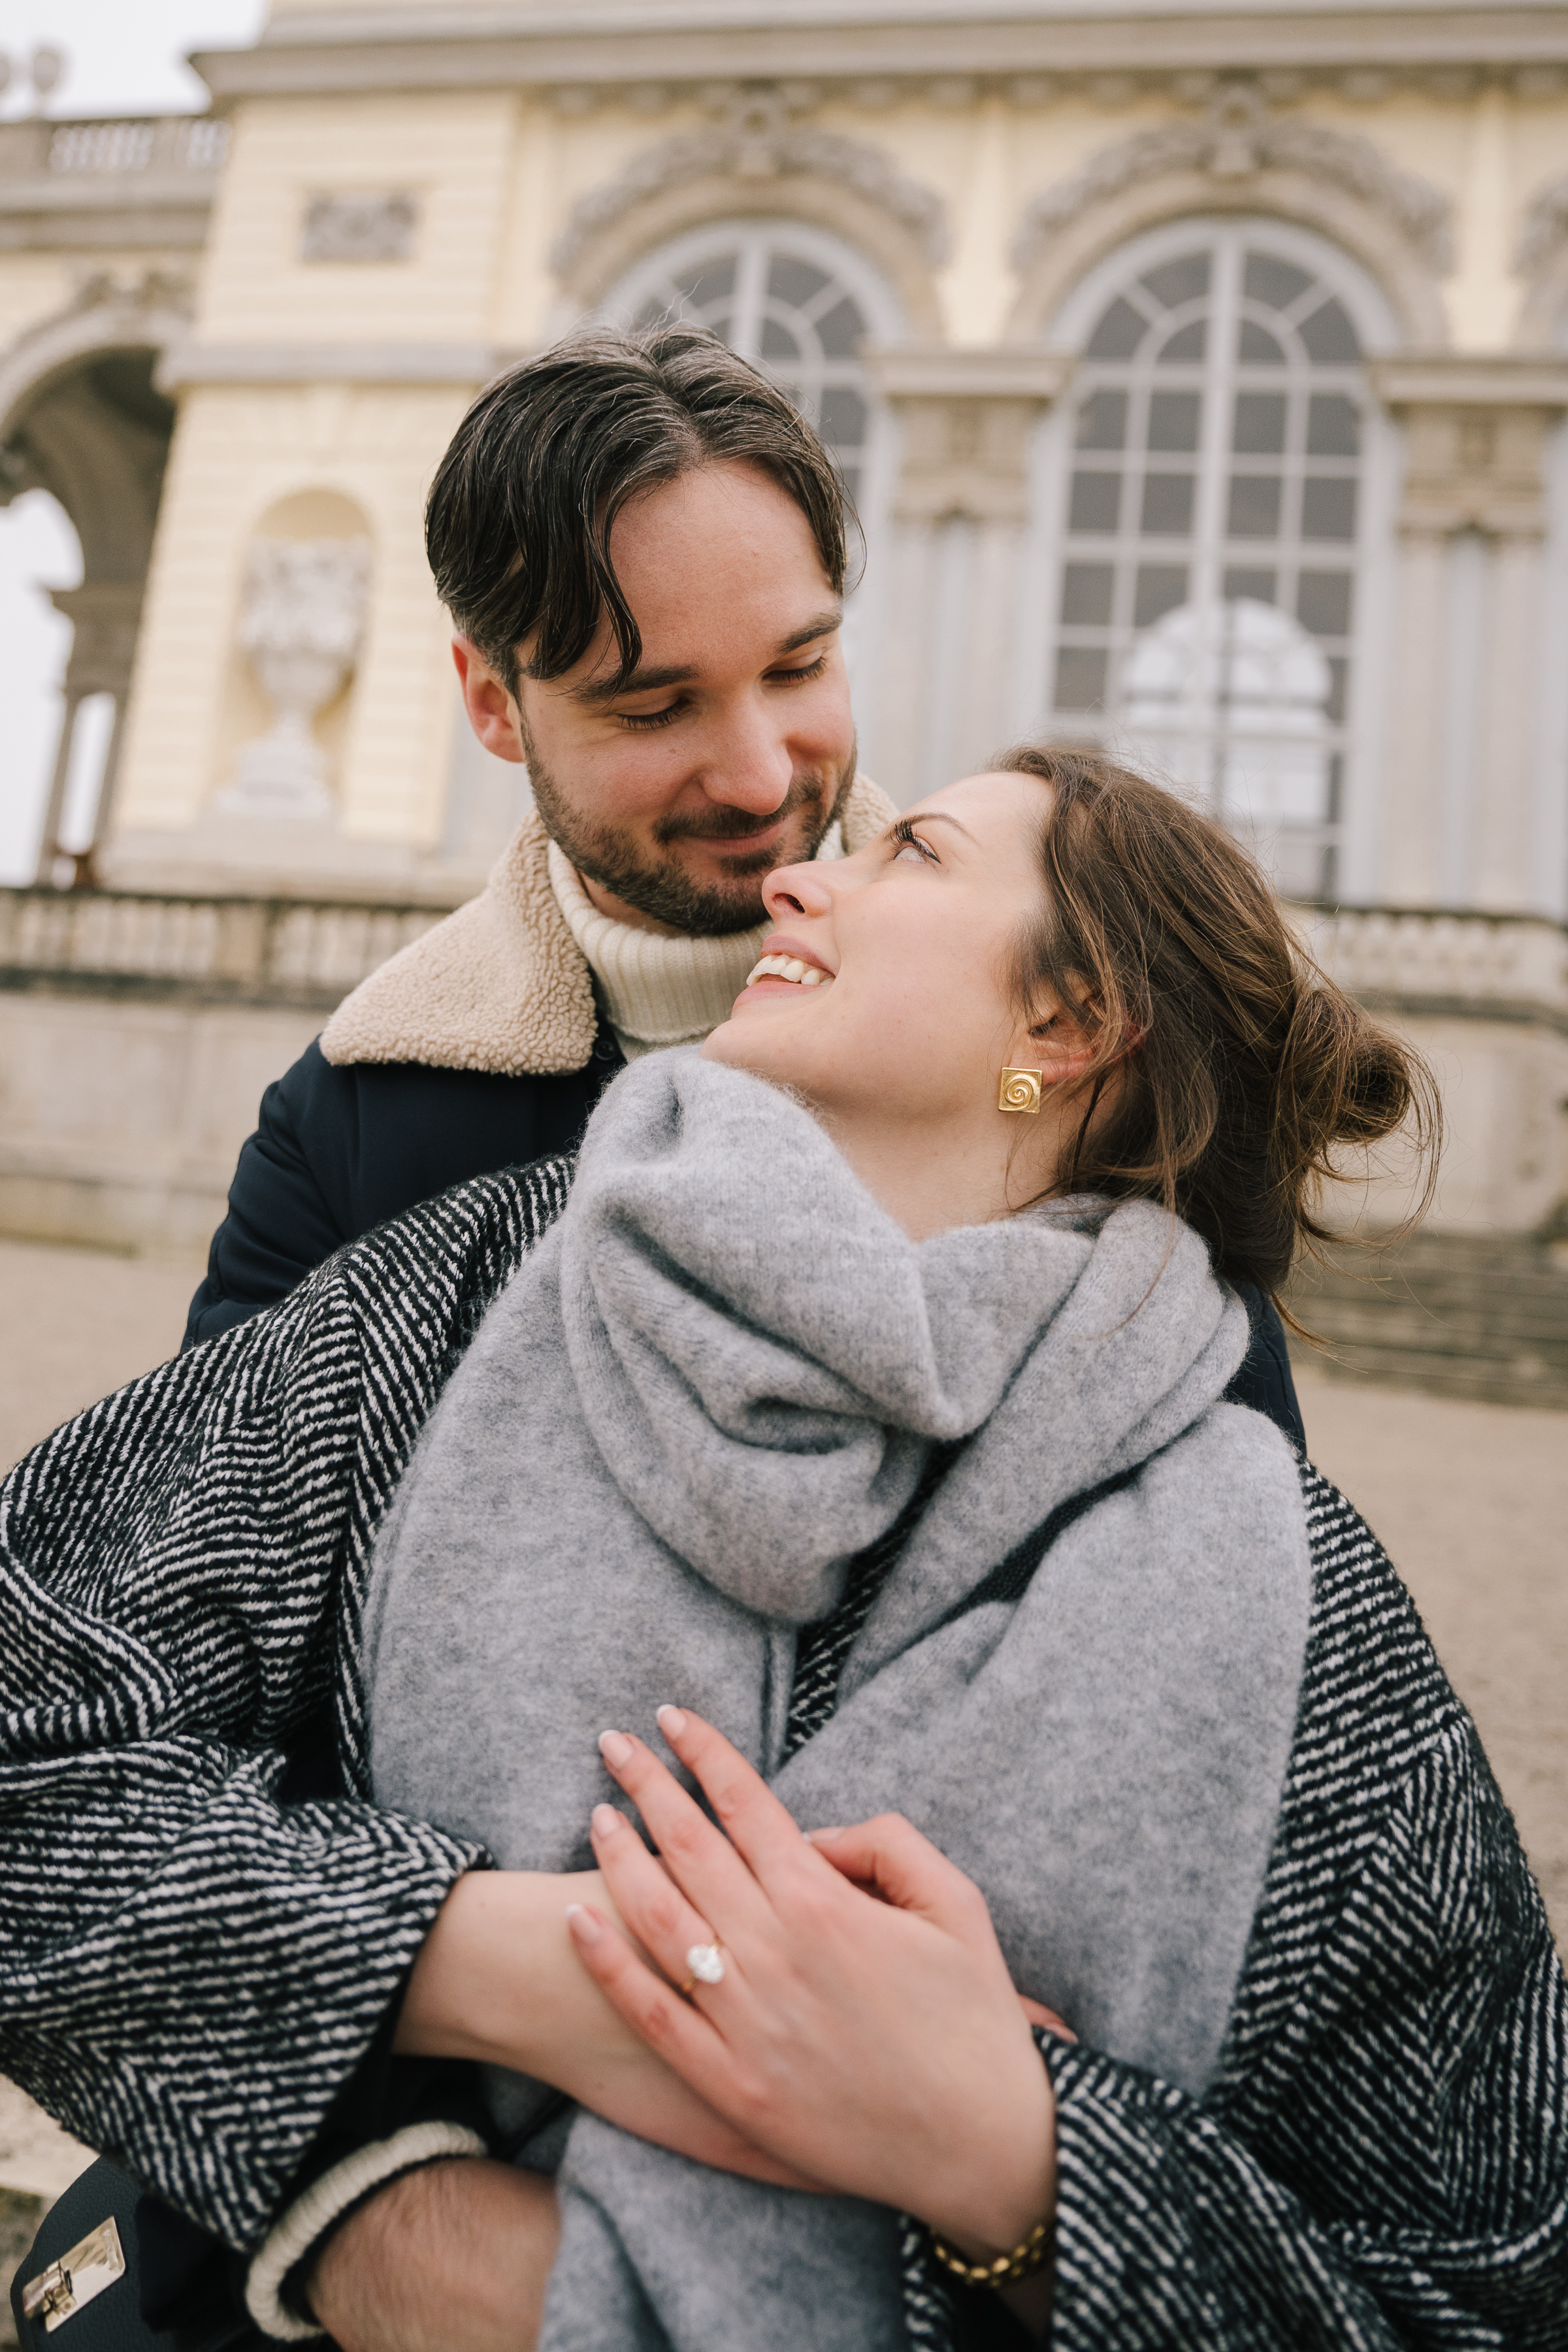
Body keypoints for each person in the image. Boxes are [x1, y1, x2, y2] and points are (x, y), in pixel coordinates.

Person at [3, 748, 1564, 2352]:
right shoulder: (460, 1292)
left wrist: (1017, 2161)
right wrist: (492, 1994)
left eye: (915, 855)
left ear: (1070, 1023)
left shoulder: (1288, 1594)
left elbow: (1496, 2286)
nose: (797, 875)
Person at [182, 324, 1304, 1462]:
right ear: (492, 702)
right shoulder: (350, 1122)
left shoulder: (1085, 1059)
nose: (762, 778)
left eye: (798, 666)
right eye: (653, 709)